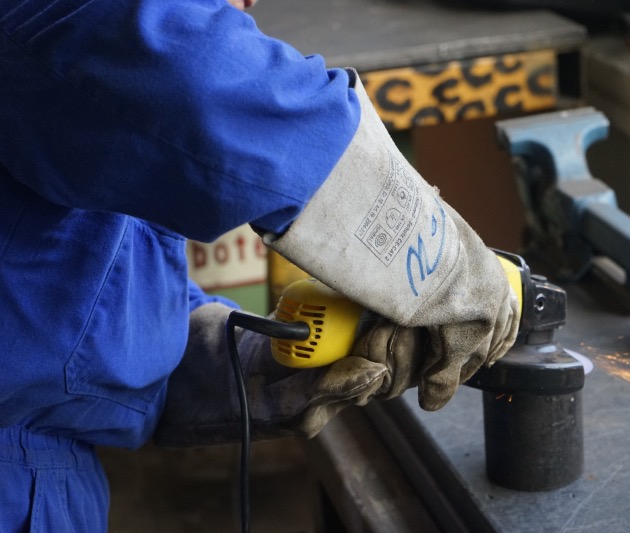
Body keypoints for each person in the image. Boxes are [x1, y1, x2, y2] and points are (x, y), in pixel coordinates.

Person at [0, 0, 520, 530]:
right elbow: (190, 78)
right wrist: (443, 265)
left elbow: (75, 291)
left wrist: (244, 362)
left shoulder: (72, 116)